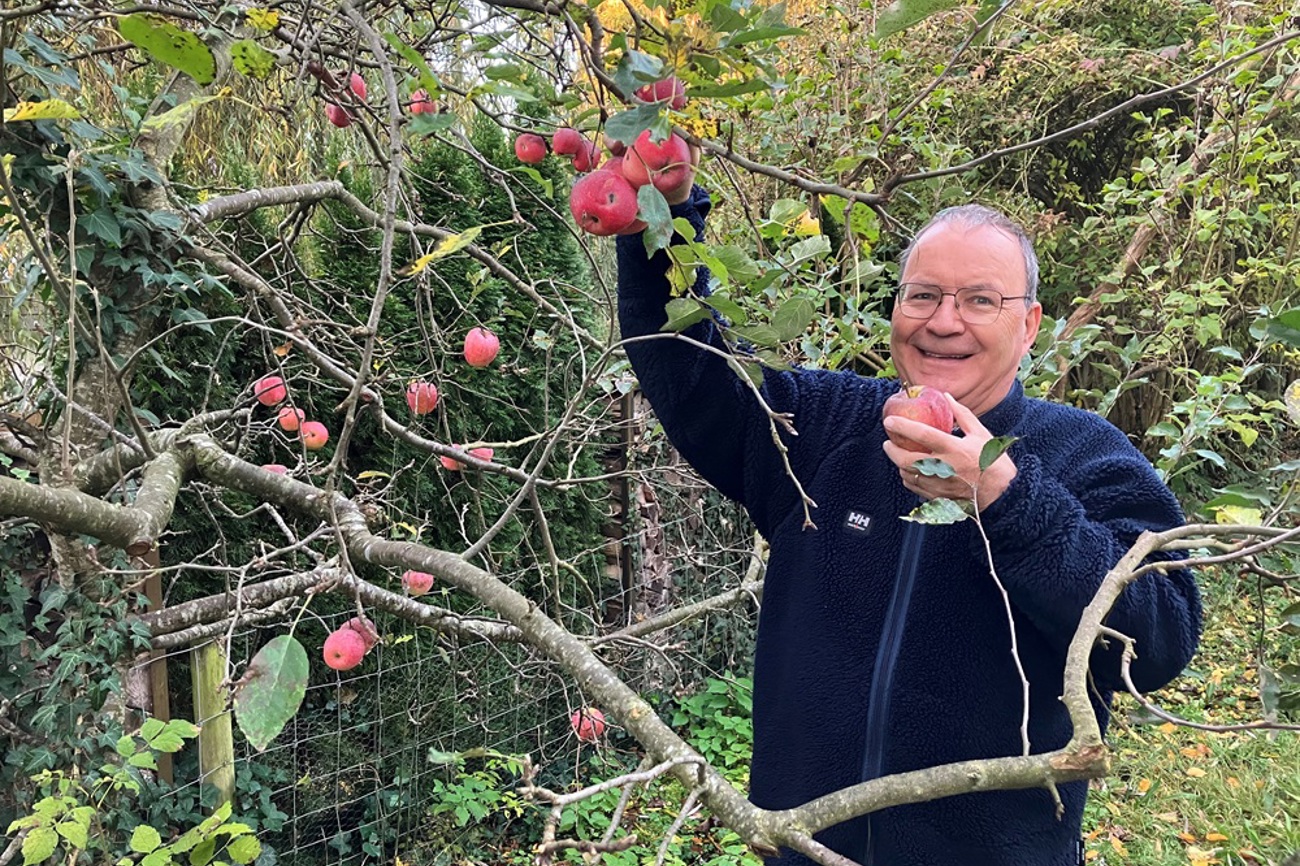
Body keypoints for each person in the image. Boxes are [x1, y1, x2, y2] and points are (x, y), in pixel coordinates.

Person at [615, 167, 1203, 866]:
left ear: (1029, 324)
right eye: (923, 295)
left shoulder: (1084, 455)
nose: (943, 321)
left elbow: (1161, 635)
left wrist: (1007, 498)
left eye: (980, 300)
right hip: (804, 847)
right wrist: (662, 206)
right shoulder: (823, 427)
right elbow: (687, 363)